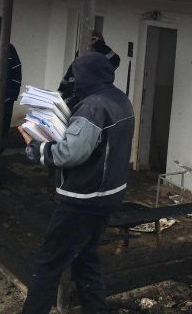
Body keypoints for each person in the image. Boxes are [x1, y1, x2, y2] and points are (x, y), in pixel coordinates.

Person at [19, 52, 135, 314]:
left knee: (49, 263)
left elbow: (70, 153)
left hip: (83, 199)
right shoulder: (121, 99)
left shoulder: (93, 107)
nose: (73, 81)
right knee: (85, 259)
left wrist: (36, 148)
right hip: (109, 195)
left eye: (76, 76)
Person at [58, 30, 120, 108]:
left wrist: (99, 44)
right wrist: (59, 99)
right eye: (88, 40)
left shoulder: (101, 63)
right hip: (70, 103)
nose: (91, 42)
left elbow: (115, 61)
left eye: (93, 39)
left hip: (87, 104)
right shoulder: (78, 61)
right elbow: (65, 82)